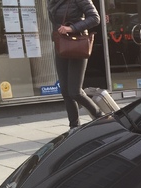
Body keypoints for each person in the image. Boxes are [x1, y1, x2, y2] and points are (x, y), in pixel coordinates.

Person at [47, 0, 103, 129]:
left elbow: (95, 18)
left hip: (77, 44)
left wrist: (72, 28)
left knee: (75, 92)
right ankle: (74, 127)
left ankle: (101, 117)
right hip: (61, 44)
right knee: (65, 91)